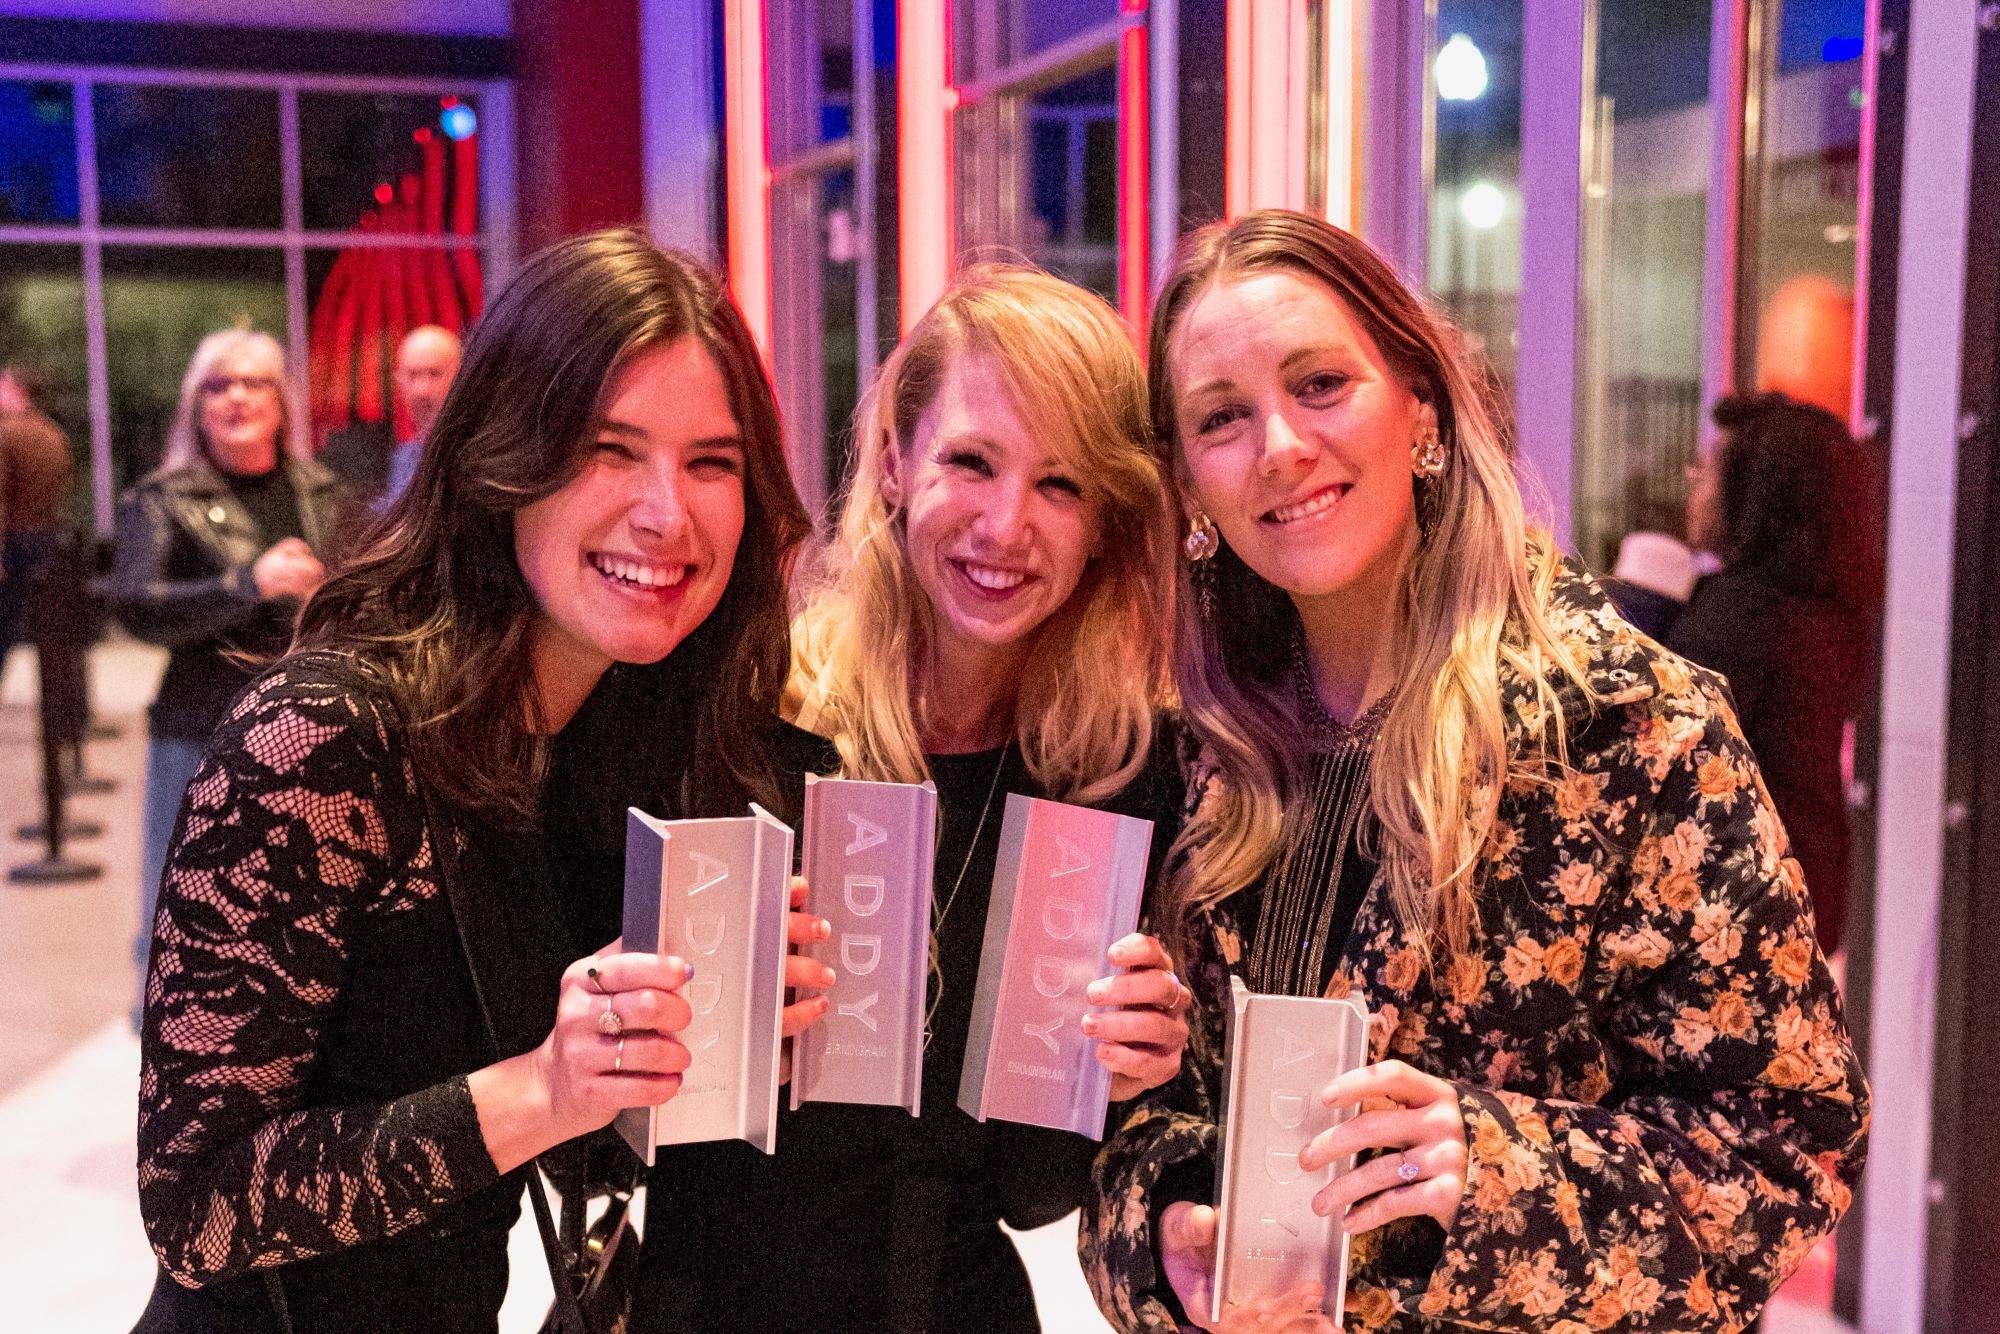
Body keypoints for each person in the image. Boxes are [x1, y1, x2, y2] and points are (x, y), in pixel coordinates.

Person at [1083, 211, 1869, 1333]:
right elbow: (1138, 1113)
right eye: (1220, 418)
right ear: (1188, 486)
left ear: (1420, 406)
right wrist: (1162, 1231)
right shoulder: (1197, 749)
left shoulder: (1625, 729)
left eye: (1317, 384)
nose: (1278, 445)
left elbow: (1785, 1147)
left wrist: (1485, 1168)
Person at [134, 231, 830, 1331]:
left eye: (712, 461)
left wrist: (702, 1038)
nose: (669, 512)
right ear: (503, 455)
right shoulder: (320, 738)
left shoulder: (617, 729)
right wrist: (541, 1086)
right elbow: (196, 1204)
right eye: (610, 448)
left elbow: (569, 1125)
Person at [627, 264, 1192, 1334]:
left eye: (1061, 485)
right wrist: (703, 1038)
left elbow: (1033, 1187)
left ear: (1106, 519)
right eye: (970, 462)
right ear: (894, 461)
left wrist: (1124, 1075)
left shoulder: (1107, 775)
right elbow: (615, 1127)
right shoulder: (746, 723)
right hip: (710, 1303)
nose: (1005, 524)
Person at [109, 329, 345, 996]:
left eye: (255, 382)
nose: (238, 397)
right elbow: (136, 604)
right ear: (197, 404)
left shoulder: (323, 491)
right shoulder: (162, 496)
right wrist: (247, 585)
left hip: (310, 723)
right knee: (188, 887)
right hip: (199, 720)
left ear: (282, 401)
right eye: (219, 385)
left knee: (302, 886)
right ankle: (176, 1021)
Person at [1666, 391, 1880, 955]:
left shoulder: (1739, 622)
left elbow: (1654, 760)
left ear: (1754, 494)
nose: (1695, 484)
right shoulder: (1825, 613)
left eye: (1709, 469)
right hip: (1806, 890)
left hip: (1744, 916)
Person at [320, 324, 464, 510]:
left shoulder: (480, 455)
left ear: (462, 377)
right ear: (399, 382)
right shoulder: (404, 460)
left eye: (435, 374)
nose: (422, 390)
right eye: (413, 375)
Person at [0, 363, 74, 667]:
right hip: (41, 540)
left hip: (8, 544)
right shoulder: (54, 435)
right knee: (9, 628)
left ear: (16, 390)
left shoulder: (5, 433)